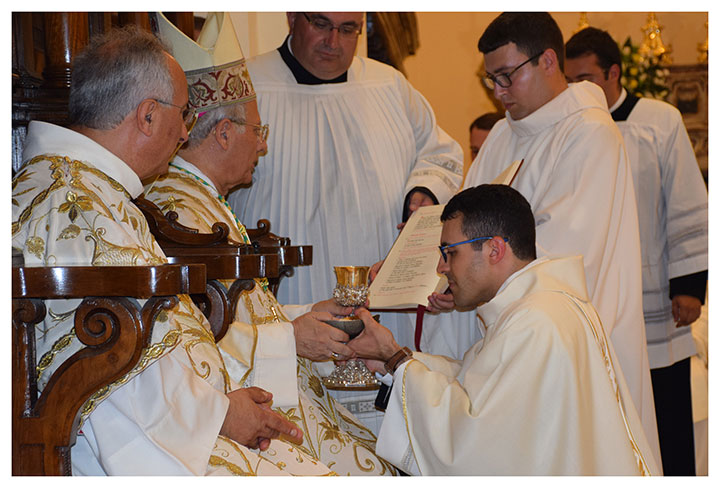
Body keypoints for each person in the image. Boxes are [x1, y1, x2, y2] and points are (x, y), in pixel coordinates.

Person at [11, 26, 335, 476]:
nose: (185, 133)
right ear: (147, 116)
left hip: (165, 428)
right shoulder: (80, 206)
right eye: (182, 115)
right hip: (126, 451)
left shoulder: (69, 186)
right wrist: (222, 415)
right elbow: (123, 375)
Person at [147, 13, 396, 475]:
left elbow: (226, 315)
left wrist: (300, 319)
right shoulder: (177, 214)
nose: (261, 147)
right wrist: (293, 334)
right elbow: (183, 340)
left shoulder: (203, 202)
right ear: (223, 133)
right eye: (258, 133)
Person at [226, 12, 465, 431]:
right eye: (320, 23)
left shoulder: (389, 85)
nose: (333, 41)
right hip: (294, 300)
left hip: (383, 310)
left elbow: (441, 154)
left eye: (349, 29)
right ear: (291, 17)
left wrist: (422, 192)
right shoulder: (247, 85)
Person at [445, 12, 662, 465]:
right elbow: (468, 224)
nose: (498, 93)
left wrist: (466, 276)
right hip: (507, 333)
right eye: (491, 80)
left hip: (565, 342)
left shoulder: (589, 134)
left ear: (547, 60)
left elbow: (557, 253)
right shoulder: (504, 134)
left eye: (507, 76)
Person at [347, 184, 660, 475]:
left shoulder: (537, 323)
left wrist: (394, 359)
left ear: (495, 250)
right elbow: (474, 384)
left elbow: (477, 446)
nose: (441, 268)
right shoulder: (531, 311)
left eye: (450, 253)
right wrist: (391, 360)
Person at [565, 27, 708, 476]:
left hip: (654, 302)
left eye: (586, 79)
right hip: (594, 300)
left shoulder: (658, 120)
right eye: (570, 82)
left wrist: (688, 287)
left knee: (667, 422)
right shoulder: (570, 129)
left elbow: (686, 202)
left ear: (614, 73)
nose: (577, 91)